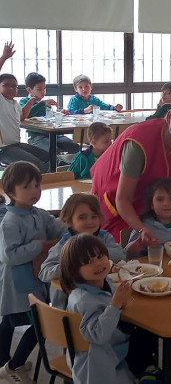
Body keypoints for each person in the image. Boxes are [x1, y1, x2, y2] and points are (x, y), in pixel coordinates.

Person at [91, 96, 171, 245]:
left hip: (146, 197)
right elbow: (122, 199)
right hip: (114, 197)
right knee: (124, 250)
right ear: (170, 116)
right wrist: (141, 229)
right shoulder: (139, 141)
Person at [60, 235, 157, 384]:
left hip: (111, 342)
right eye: (88, 262)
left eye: (100, 256)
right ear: (74, 271)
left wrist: (121, 302)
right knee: (145, 335)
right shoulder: (83, 300)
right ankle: (147, 373)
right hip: (98, 359)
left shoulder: (105, 282)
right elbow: (98, 335)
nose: (98, 263)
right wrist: (115, 306)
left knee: (147, 332)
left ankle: (149, 371)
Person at [0, 161, 64, 382]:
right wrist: (41, 245)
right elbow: (10, 255)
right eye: (26, 186)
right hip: (18, 284)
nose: (34, 191)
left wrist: (75, 225)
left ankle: (3, 364)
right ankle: (13, 367)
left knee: (9, 321)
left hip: (32, 280)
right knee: (40, 324)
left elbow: (56, 226)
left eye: (37, 185)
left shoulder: (39, 213)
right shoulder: (10, 221)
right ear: (10, 191)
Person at [39, 193, 125, 309]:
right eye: (82, 217)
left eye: (94, 216)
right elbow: (44, 272)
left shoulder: (104, 237)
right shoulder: (65, 245)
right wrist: (74, 265)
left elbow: (120, 254)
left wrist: (96, 256)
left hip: (103, 301)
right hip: (70, 308)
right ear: (69, 221)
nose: (89, 221)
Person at [126, 178, 171, 258]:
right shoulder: (144, 227)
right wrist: (135, 248)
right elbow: (127, 254)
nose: (166, 203)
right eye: (160, 199)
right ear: (151, 204)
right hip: (152, 267)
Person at [0, 72, 51, 173]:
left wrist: (31, 102)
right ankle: (34, 184)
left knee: (46, 156)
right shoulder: (1, 101)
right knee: (34, 162)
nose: (12, 88)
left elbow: (22, 116)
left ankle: (44, 182)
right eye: (6, 85)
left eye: (15, 86)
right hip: (4, 149)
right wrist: (4, 57)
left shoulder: (14, 103)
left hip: (16, 144)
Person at [20, 72, 80, 154]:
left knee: (75, 147)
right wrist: (43, 103)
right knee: (54, 150)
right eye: (39, 89)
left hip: (53, 134)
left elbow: (49, 117)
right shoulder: (25, 102)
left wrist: (60, 113)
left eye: (44, 88)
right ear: (29, 90)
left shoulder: (45, 103)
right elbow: (27, 115)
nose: (43, 92)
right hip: (36, 137)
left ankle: (68, 165)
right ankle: (56, 165)